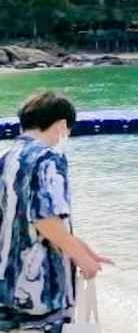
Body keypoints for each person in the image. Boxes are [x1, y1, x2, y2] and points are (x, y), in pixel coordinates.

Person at [0, 91, 109, 332]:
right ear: (61, 125)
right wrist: (80, 258)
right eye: (68, 129)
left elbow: (17, 218)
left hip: (5, 281)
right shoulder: (48, 157)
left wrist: (79, 245)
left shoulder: (6, 157)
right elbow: (45, 219)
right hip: (41, 285)